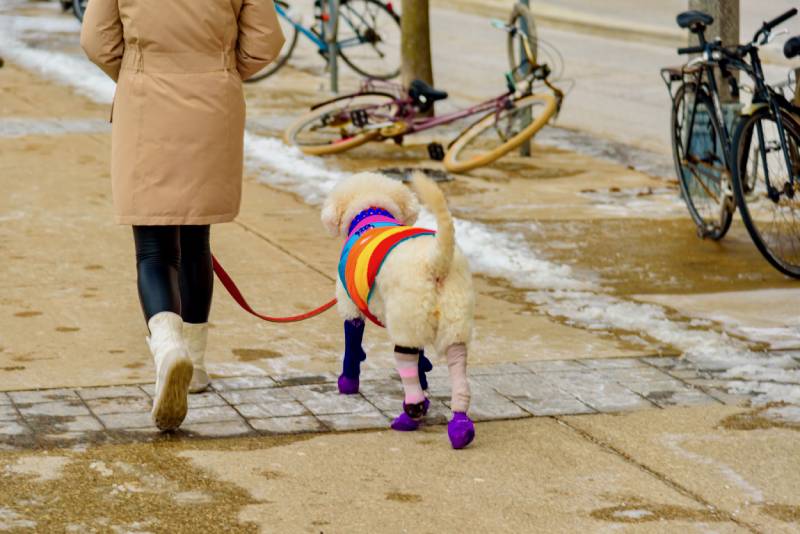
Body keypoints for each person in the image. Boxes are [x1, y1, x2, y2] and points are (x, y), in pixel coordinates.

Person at [80, 0, 284, 431]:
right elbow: (265, 42)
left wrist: (139, 72)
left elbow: (97, 41)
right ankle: (196, 363)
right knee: (196, 238)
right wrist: (219, 72)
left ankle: (168, 347)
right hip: (213, 105)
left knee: (153, 249)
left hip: (145, 101)